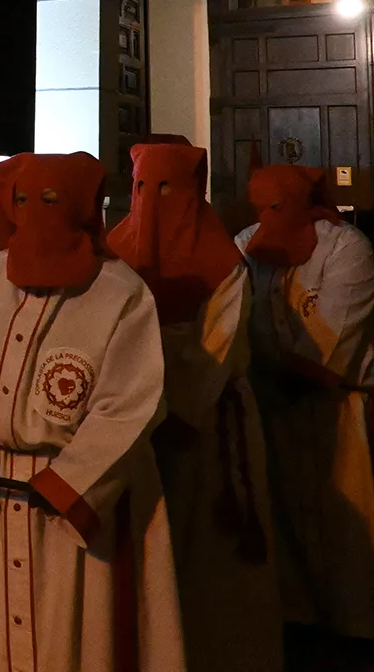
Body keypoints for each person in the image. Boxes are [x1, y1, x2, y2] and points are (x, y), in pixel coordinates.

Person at [0, 151, 185, 672]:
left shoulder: (121, 293)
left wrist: (70, 481)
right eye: (24, 200)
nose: (36, 212)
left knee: (83, 638)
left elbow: (131, 403)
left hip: (76, 499)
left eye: (51, 200)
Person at [107, 141, 280, 672]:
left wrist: (177, 411)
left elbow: (218, 350)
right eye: (141, 188)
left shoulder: (223, 262)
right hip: (140, 427)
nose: (151, 203)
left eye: (165, 189)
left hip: (202, 424)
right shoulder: (115, 251)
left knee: (210, 560)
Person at [238, 166, 374, 643]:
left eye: (278, 207)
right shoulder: (249, 243)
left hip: (339, 411)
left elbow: (335, 330)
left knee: (349, 533)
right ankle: (301, 624)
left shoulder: (345, 247)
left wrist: (284, 377)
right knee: (287, 523)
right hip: (275, 405)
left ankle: (363, 633)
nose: (266, 218)